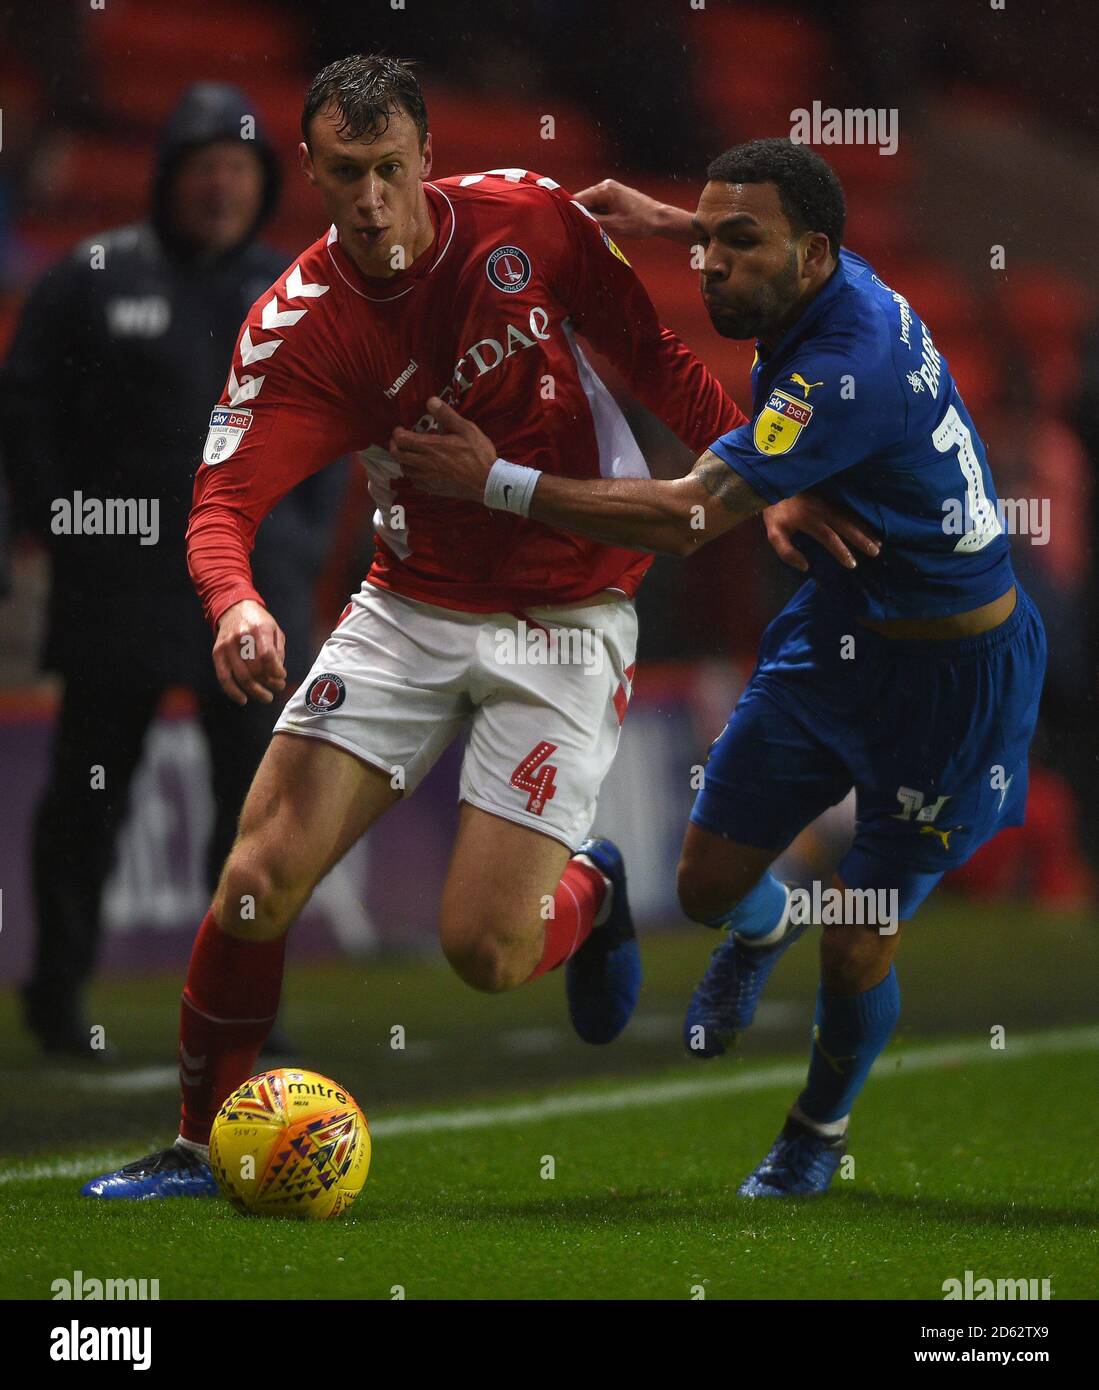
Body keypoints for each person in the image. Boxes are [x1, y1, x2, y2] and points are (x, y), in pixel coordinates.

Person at [80, 59, 864, 1199]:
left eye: (390, 170)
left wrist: (768, 472)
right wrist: (236, 601)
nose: (370, 200)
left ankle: (587, 896)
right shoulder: (300, 329)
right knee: (257, 875)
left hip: (572, 606)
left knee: (487, 954)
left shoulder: (525, 221)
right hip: (410, 604)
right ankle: (197, 1144)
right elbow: (221, 503)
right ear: (309, 172)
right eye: (344, 175)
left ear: (426, 158)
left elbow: (654, 356)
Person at [388, 140, 1047, 1198]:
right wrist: (673, 222)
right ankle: (761, 927)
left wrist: (496, 481)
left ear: (812, 253)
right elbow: (762, 243)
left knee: (856, 937)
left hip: (954, 680)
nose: (710, 266)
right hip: (838, 635)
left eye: (738, 242)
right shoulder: (817, 287)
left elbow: (691, 517)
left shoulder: (846, 364)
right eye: (710, 237)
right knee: (703, 888)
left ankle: (814, 1133)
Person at [2, 83, 345, 1058]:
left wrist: (298, 548)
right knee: (88, 800)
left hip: (252, 603)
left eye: (239, 169)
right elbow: (26, 413)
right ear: (168, 177)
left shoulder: (296, 292)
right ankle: (59, 998)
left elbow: (333, 435)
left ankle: (240, 1012)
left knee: (259, 811)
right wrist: (60, 525)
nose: (222, 186)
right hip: (117, 593)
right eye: (205, 167)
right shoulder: (92, 277)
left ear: (261, 182)